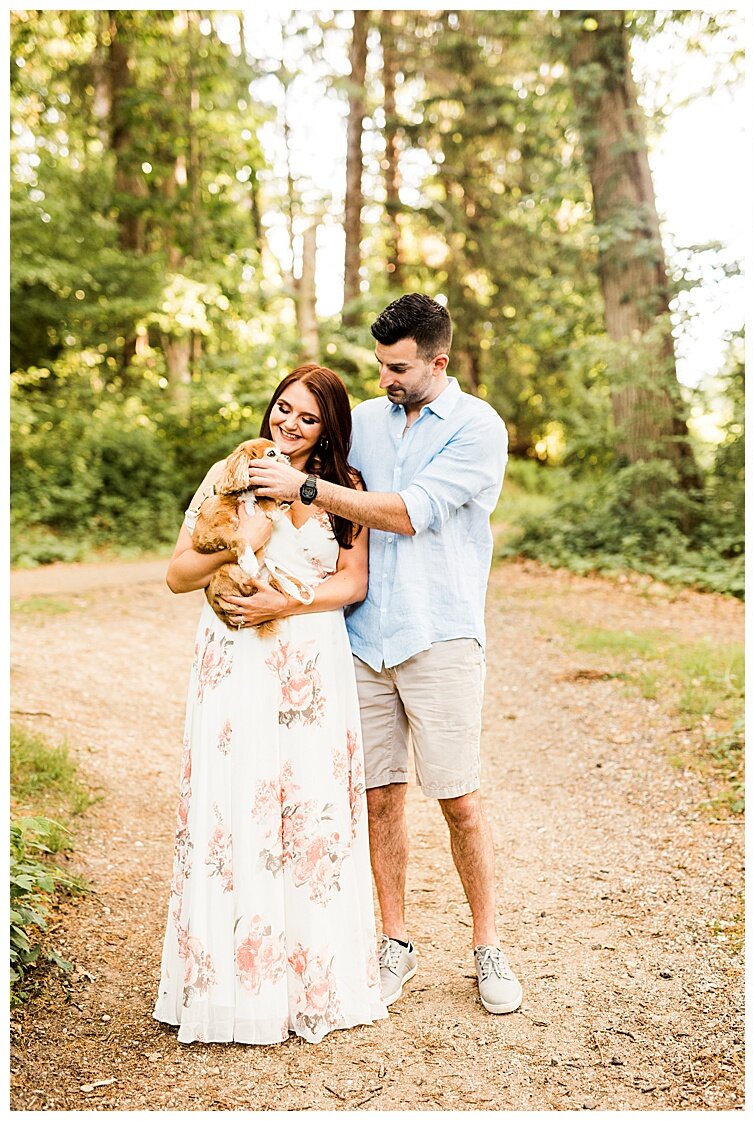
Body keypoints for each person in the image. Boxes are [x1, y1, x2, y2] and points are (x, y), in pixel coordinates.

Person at [247, 294, 521, 1016]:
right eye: (379, 364)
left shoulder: (477, 427)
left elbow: (404, 512)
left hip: (440, 634)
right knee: (380, 800)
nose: (384, 379)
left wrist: (307, 485)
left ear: (439, 360)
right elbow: (316, 492)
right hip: (359, 639)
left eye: (398, 367)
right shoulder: (366, 420)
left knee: (460, 800)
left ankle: (487, 944)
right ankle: (393, 940)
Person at [155, 364, 386, 1044]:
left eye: (306, 417)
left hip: (310, 667)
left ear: (327, 429)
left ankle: (310, 982)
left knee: (306, 810)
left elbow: (353, 581)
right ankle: (230, 987)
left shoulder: (347, 491)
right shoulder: (231, 473)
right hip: (237, 665)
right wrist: (244, 542)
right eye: (283, 408)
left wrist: (285, 599)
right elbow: (176, 574)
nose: (288, 423)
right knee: (238, 808)